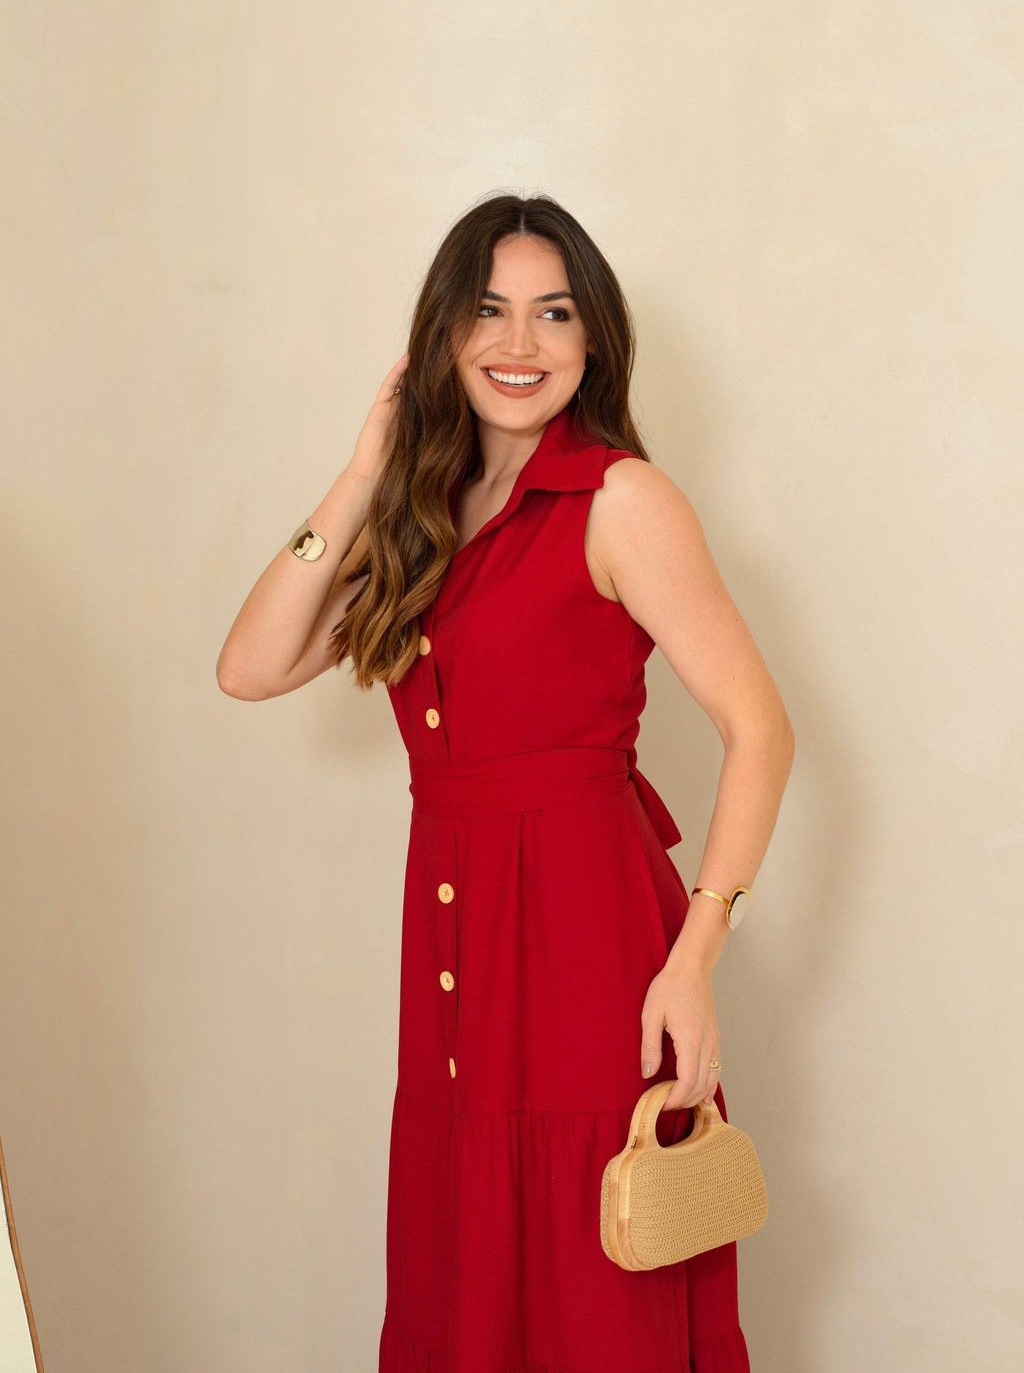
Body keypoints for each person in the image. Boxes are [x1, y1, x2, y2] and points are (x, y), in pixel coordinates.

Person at [216, 192, 795, 1371]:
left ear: (593, 341)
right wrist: (363, 470)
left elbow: (759, 728)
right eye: (487, 311)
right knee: (467, 1266)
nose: (518, 343)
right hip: (451, 962)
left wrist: (694, 957)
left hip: (586, 945)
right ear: (442, 334)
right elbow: (250, 664)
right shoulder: (419, 515)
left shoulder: (620, 500)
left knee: (594, 1276)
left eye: (553, 313)